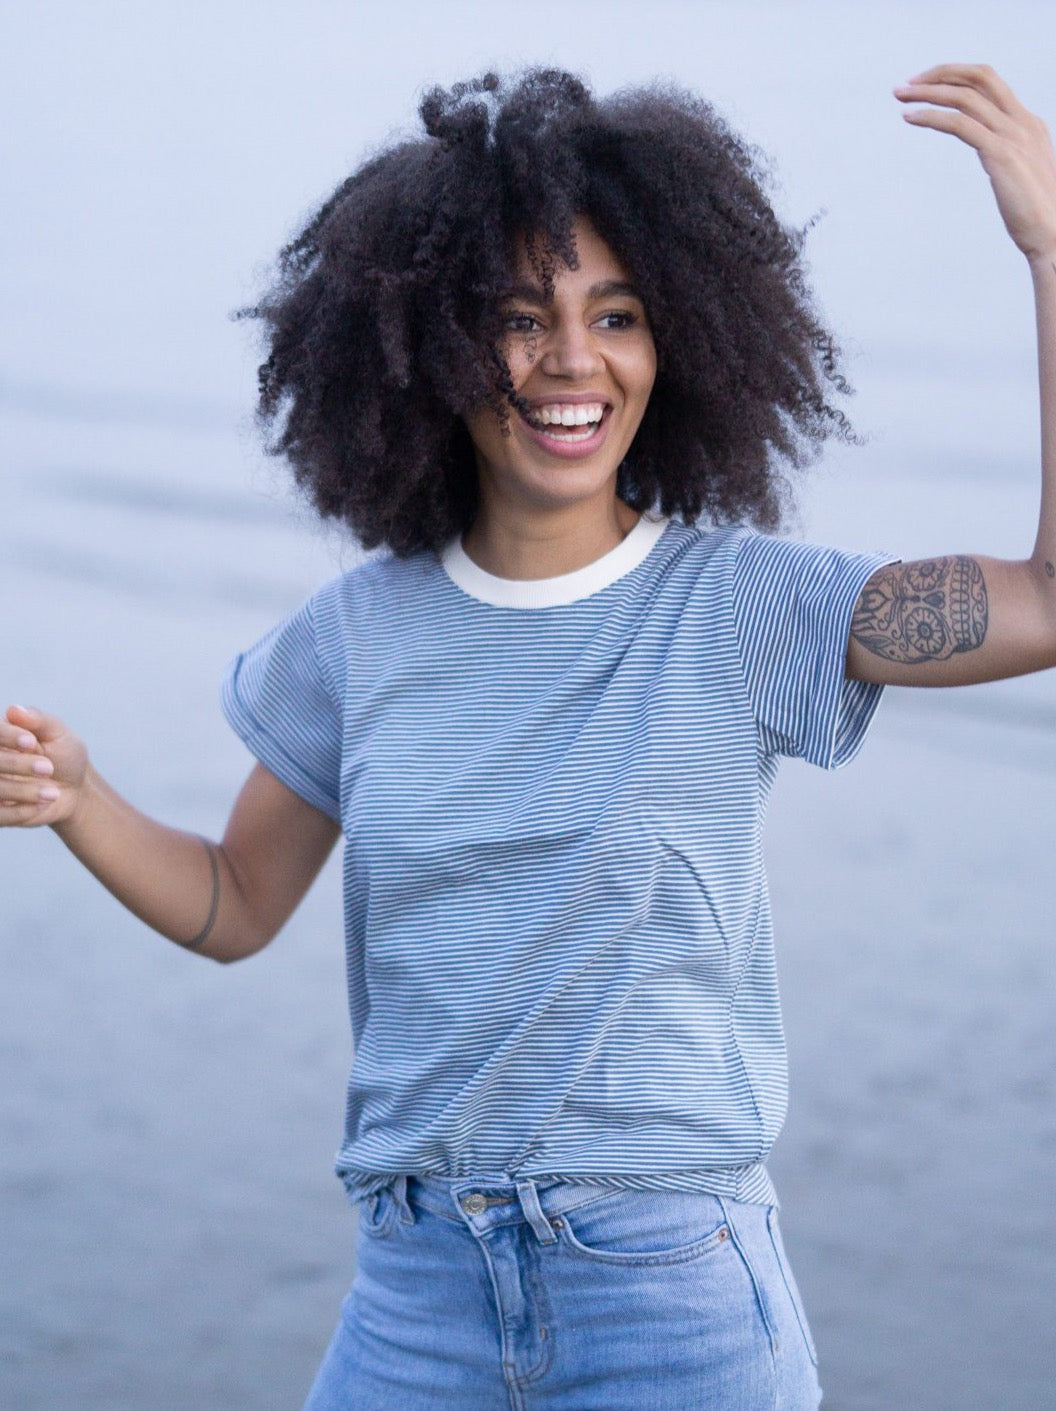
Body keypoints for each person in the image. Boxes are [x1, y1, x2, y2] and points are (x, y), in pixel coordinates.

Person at [3, 62, 1055, 1411]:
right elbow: (234, 900)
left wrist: (1044, 248)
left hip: (670, 1299)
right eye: (518, 318)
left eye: (616, 314)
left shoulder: (745, 607)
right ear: (432, 349)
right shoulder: (352, 637)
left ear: (678, 340)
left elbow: (1039, 603)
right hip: (413, 1298)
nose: (574, 360)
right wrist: (79, 798)